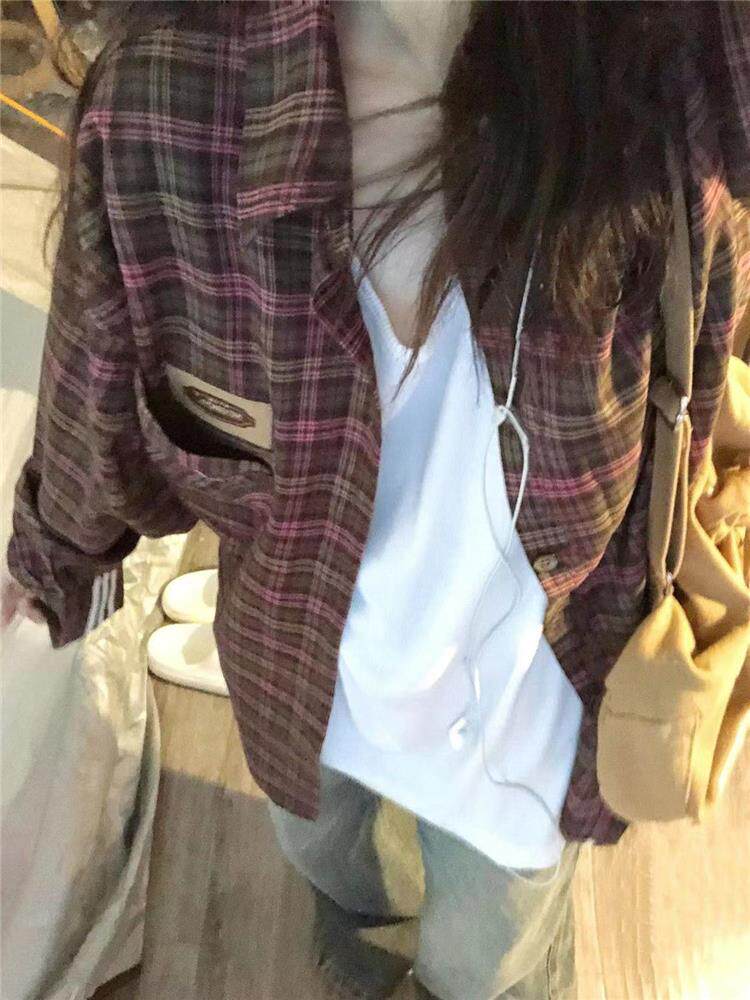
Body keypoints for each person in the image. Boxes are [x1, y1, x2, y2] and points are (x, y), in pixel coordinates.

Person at [3, 2, 749, 998]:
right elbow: (91, 391)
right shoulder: (170, 105)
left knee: (484, 961)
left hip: (536, 707)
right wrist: (53, 561)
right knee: (342, 885)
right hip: (303, 682)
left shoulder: (672, 84)